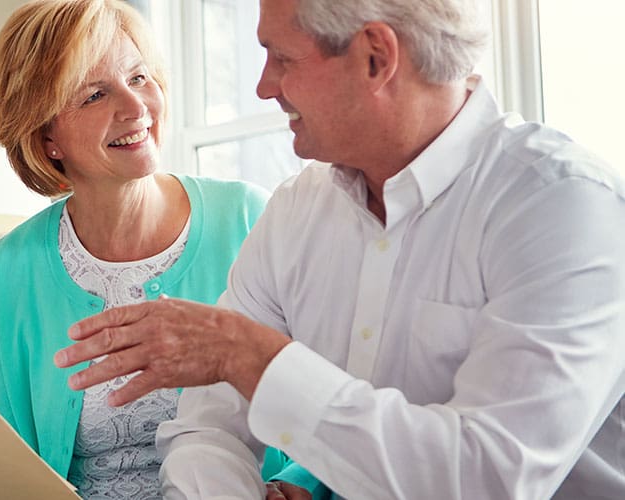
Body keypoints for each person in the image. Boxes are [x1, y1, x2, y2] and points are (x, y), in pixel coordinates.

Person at [56, 0, 625, 498]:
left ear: (377, 57)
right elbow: (208, 427)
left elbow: (487, 481)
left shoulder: (563, 205)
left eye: (283, 57)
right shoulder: (298, 210)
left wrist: (250, 356)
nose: (263, 85)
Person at [0, 1, 328, 499]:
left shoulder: (247, 217)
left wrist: (298, 486)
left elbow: (326, 391)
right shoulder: (7, 271)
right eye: (95, 94)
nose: (135, 108)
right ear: (47, 136)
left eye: (139, 78)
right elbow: (1, 467)